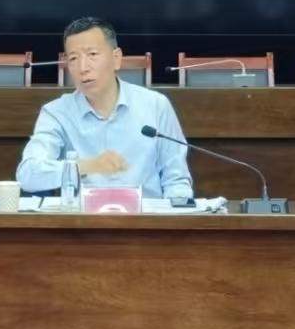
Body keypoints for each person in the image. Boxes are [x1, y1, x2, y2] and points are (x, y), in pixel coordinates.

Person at [17, 17, 194, 199]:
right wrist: (86, 166)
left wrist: (175, 210)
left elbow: (176, 179)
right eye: (74, 58)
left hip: (145, 214)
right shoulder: (56, 113)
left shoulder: (155, 105)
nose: (83, 68)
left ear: (116, 58)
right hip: (82, 216)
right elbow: (28, 174)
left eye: (92, 54)